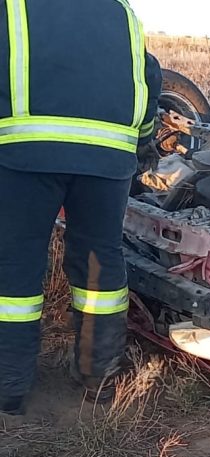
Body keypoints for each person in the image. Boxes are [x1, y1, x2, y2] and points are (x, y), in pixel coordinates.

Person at [0, 0, 162, 416]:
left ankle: (9, 386)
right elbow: (148, 78)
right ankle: (99, 375)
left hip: (26, 153)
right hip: (108, 157)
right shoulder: (120, 11)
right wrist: (143, 141)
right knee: (99, 262)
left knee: (15, 265)